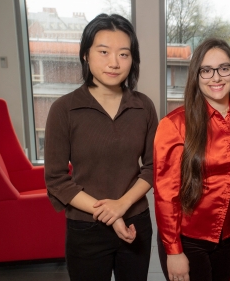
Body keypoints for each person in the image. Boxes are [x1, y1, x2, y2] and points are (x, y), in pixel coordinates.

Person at [44, 14, 157, 281]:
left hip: (135, 222)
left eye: (124, 54)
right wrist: (110, 213)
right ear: (85, 54)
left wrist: (122, 206)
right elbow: (57, 180)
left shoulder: (144, 106)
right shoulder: (64, 109)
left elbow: (154, 167)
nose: (114, 63)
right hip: (85, 228)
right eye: (104, 52)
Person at [154, 38, 230, 281]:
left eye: (223, 68)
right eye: (206, 70)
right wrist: (173, 251)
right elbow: (166, 195)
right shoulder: (174, 125)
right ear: (196, 75)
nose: (216, 77)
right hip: (188, 239)